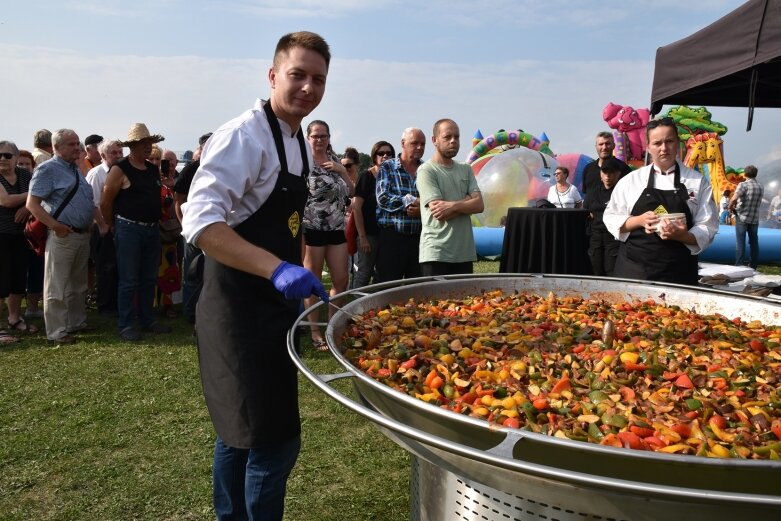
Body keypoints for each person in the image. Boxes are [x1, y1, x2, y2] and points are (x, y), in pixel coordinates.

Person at [181, 31, 330, 521]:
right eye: (297, 75)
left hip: (273, 308)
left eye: (318, 79)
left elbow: (290, 223)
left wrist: (300, 274)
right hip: (235, 310)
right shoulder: (244, 135)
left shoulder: (297, 142)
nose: (308, 87)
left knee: (241, 433)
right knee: (273, 440)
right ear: (272, 75)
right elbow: (200, 222)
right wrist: (276, 268)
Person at [603, 117, 718, 285]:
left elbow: (708, 225)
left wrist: (683, 235)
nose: (664, 148)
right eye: (657, 143)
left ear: (678, 143)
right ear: (648, 147)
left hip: (678, 273)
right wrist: (639, 220)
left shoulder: (697, 181)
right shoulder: (631, 180)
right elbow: (611, 217)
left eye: (669, 141)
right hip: (634, 271)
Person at [27, 129, 100, 343]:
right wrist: (56, 226)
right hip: (63, 235)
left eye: (77, 143)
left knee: (77, 284)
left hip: (80, 235)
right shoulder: (47, 169)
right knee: (57, 285)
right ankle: (57, 331)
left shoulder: (75, 170)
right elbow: (32, 204)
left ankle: (75, 322)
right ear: (56, 147)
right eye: (71, 144)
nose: (77, 147)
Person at [101, 123, 172, 342]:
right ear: (133, 146)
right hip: (129, 228)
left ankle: (147, 319)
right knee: (129, 279)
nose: (149, 147)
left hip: (150, 230)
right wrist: (112, 224)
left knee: (149, 277)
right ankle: (126, 323)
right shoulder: (119, 169)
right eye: (144, 144)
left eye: (150, 143)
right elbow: (106, 201)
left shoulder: (152, 170)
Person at [302, 120, 353, 350]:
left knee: (341, 280)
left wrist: (343, 171)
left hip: (336, 228)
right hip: (312, 228)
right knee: (312, 282)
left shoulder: (335, 162)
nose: (320, 140)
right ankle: (315, 331)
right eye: (316, 136)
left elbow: (352, 192)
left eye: (324, 136)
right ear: (308, 137)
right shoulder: (302, 162)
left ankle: (332, 325)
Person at [416, 119, 483, 276]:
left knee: (466, 301)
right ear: (434, 140)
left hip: (464, 253)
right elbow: (440, 213)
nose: (453, 141)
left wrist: (452, 206)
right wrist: (467, 201)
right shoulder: (426, 170)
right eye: (447, 137)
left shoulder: (466, 169)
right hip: (436, 253)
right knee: (435, 301)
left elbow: (479, 205)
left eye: (457, 137)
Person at [375, 127, 426, 282]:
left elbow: (434, 200)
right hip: (392, 238)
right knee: (387, 287)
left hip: (418, 239)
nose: (419, 147)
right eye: (415, 143)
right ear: (403, 143)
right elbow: (383, 198)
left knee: (416, 288)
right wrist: (412, 201)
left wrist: (422, 209)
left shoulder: (427, 169)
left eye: (423, 144)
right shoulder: (387, 167)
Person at [174, 132, 212, 324]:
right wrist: (185, 225)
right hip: (192, 230)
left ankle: (207, 311)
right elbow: (178, 199)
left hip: (215, 230)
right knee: (192, 272)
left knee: (212, 273)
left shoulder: (219, 168)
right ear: (201, 148)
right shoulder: (191, 169)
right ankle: (190, 313)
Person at [0, 141, 37, 338]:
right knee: (1, 280)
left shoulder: (25, 175)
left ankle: (14, 318)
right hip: (1, 234)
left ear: (15, 158)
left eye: (6, 155)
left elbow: (42, 193)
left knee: (18, 278)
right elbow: (5, 201)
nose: (2, 159)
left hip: (21, 235)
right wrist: (30, 198)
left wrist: (27, 206)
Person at [86, 138, 124, 314]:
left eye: (120, 152)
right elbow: (93, 203)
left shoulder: (122, 172)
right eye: (113, 153)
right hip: (103, 228)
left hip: (119, 226)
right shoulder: (96, 174)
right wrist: (103, 225)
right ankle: (105, 305)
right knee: (106, 267)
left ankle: (115, 302)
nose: (118, 156)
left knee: (117, 267)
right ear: (102, 155)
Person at [351, 141, 394, 288]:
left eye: (389, 153)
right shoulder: (366, 177)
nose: (385, 156)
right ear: (374, 156)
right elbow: (357, 208)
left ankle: (377, 307)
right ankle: (355, 306)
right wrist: (362, 237)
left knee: (383, 274)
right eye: (381, 153)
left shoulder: (395, 177)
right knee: (364, 273)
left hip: (388, 234)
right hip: (369, 234)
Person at [16, 150, 44, 319]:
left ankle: (32, 308)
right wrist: (30, 202)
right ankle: (15, 311)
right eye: (21, 163)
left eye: (28, 164)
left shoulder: (36, 180)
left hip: (34, 234)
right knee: (17, 274)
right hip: (12, 234)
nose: (25, 167)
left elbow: (43, 199)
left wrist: (27, 207)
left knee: (36, 270)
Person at [583, 158, 621, 276]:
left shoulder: (621, 193)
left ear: (618, 174)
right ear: (601, 174)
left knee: (611, 271)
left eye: (611, 172)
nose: (608, 176)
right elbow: (587, 211)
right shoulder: (593, 193)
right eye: (605, 172)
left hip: (613, 239)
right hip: (596, 238)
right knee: (596, 270)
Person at [729, 165, 763, 269]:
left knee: (740, 242)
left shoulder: (743, 185)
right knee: (754, 242)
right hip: (754, 218)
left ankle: (739, 264)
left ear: (745, 174)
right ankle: (753, 264)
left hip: (742, 216)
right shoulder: (760, 186)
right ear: (755, 174)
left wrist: (730, 207)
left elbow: (734, 198)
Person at [581, 131, 631, 197]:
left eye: (607, 144)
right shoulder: (588, 169)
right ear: (596, 146)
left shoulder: (623, 168)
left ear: (614, 146)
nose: (604, 147)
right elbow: (586, 194)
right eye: (601, 144)